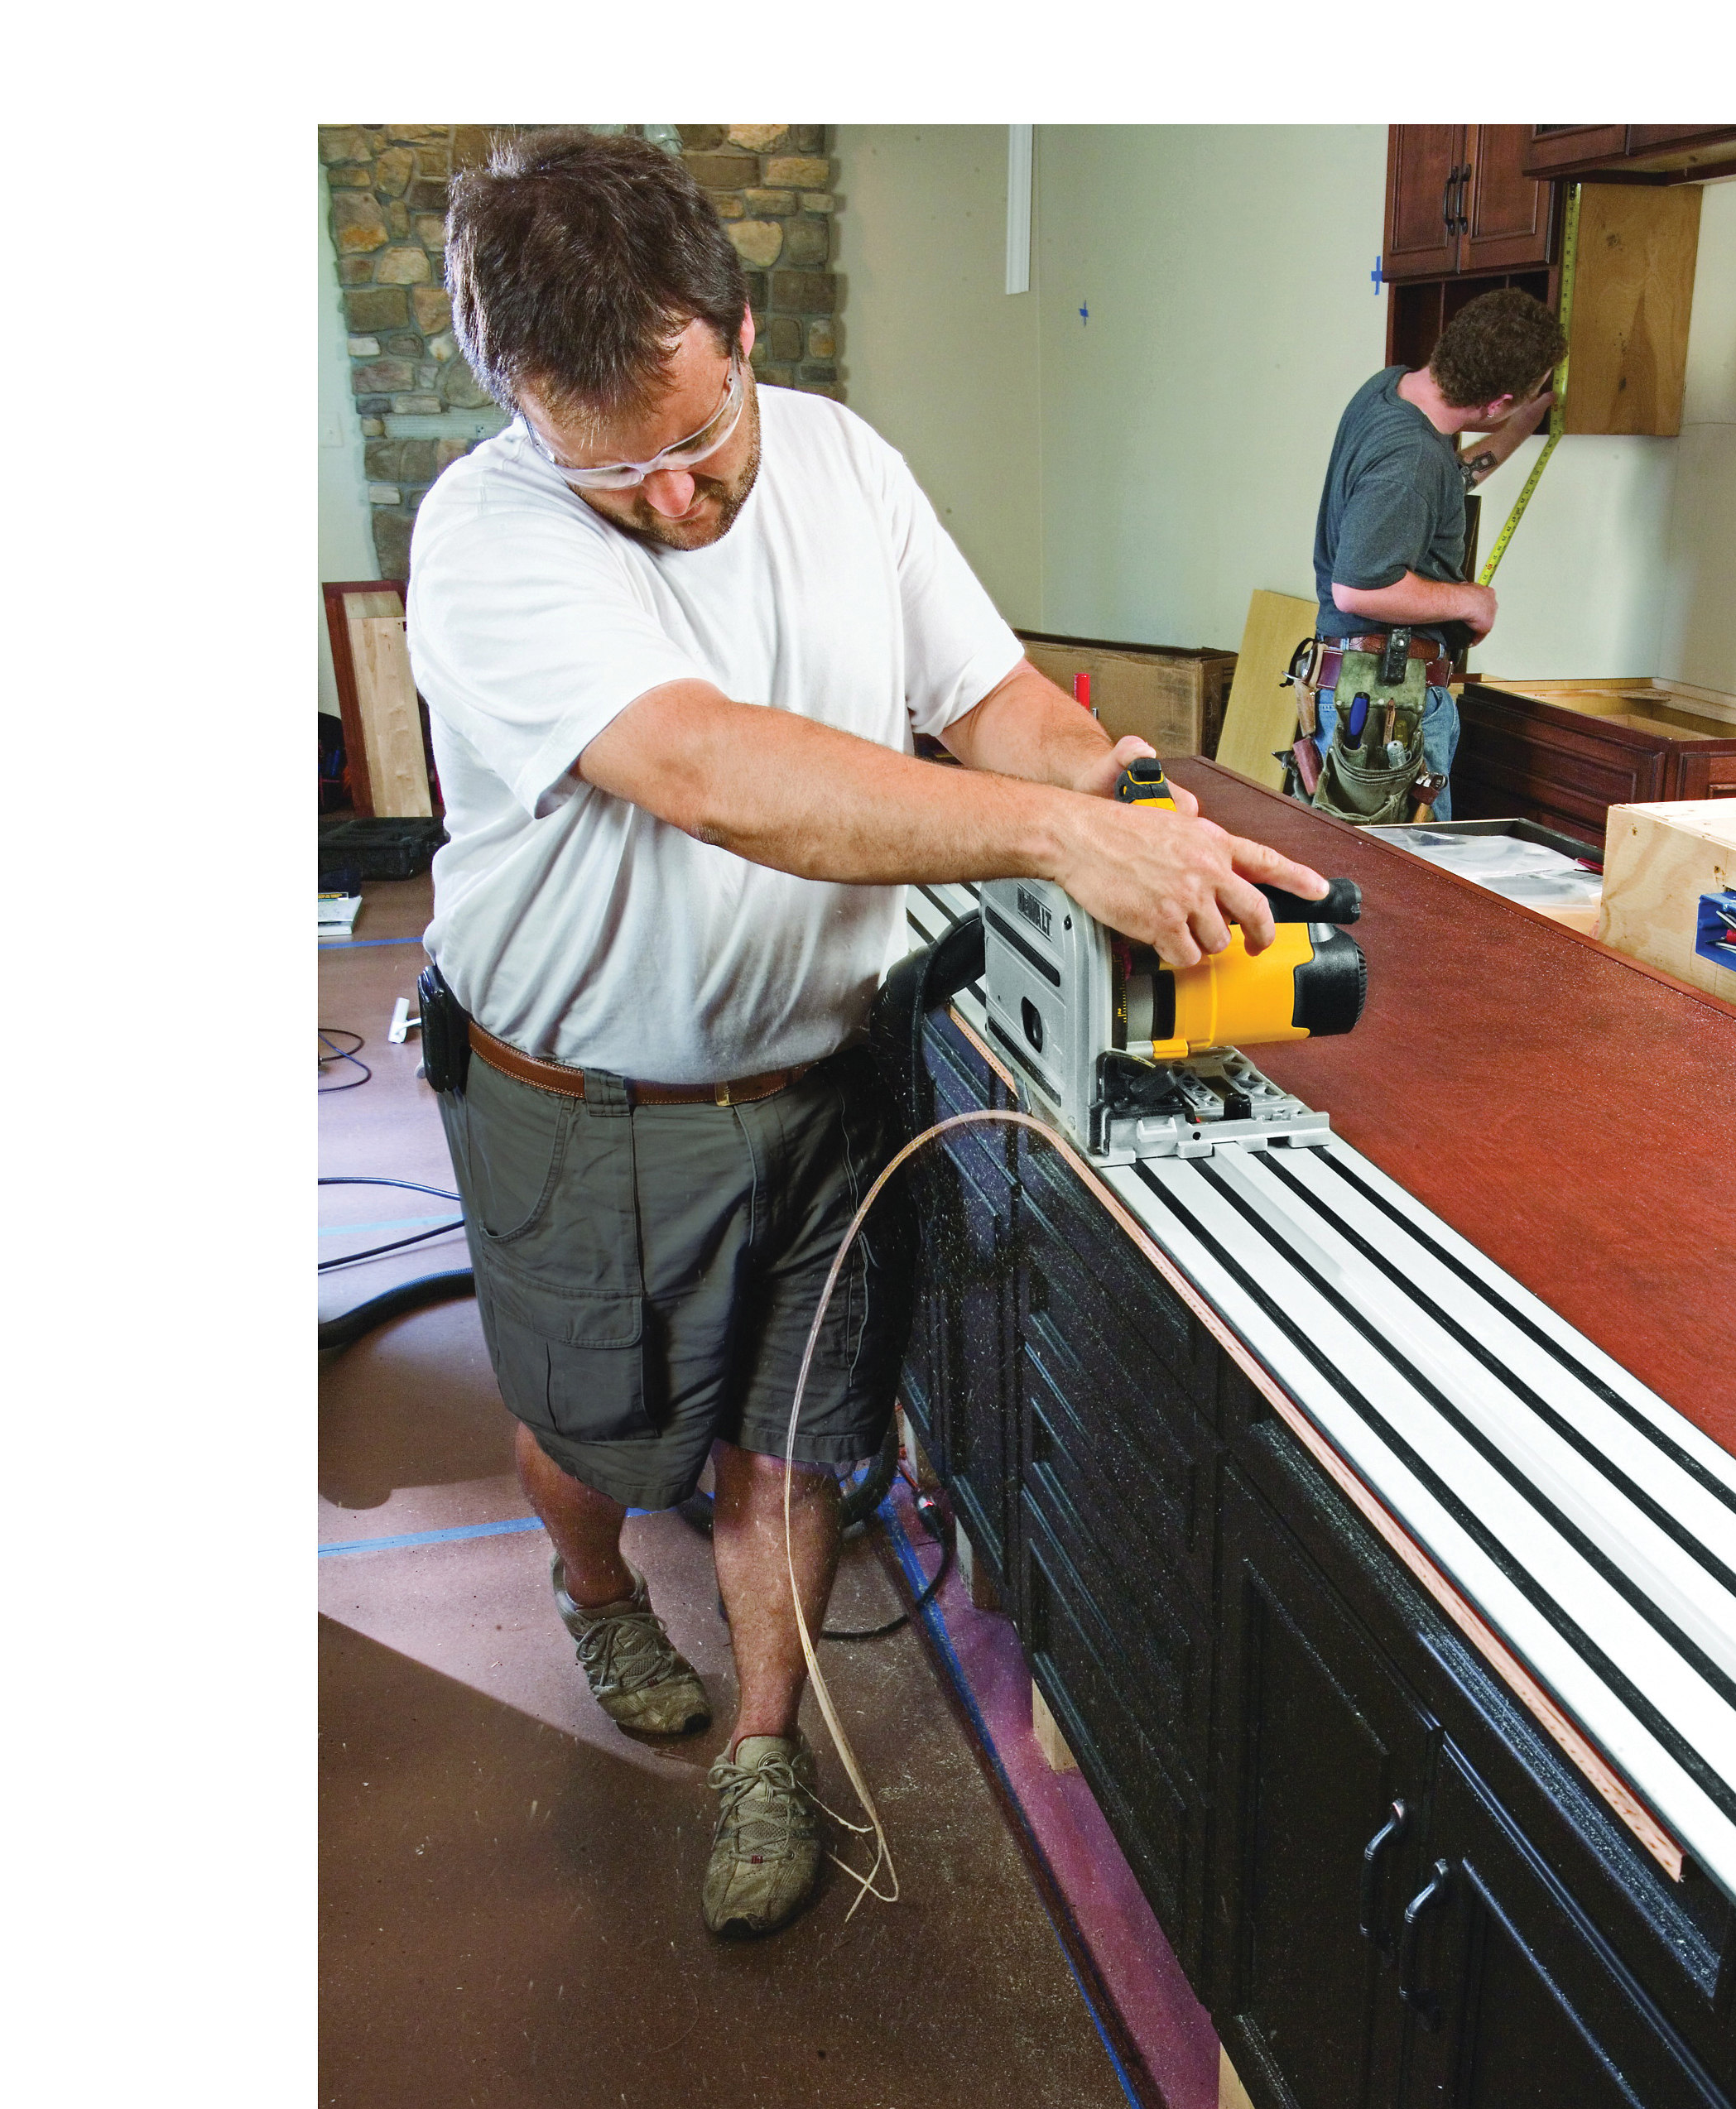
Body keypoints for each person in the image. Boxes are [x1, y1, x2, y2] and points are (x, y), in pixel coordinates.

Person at [405, 130, 1325, 1940]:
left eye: (697, 437)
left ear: (743, 329)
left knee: (792, 1429)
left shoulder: (844, 462)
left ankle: (767, 1740)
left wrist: (1124, 795)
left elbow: (988, 700)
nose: (674, 497)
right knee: (589, 1433)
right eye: (614, 472)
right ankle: (598, 1590)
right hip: (581, 1094)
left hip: (817, 1069)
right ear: (526, 417)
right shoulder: (485, 530)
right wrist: (1056, 840)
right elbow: (706, 767)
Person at [1306, 287, 1567, 817]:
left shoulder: (1392, 390)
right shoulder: (1412, 457)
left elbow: (1441, 480)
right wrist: (1471, 600)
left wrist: (1521, 424)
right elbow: (1358, 587)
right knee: (1405, 866)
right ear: (1495, 403)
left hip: (1366, 686)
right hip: (1388, 702)